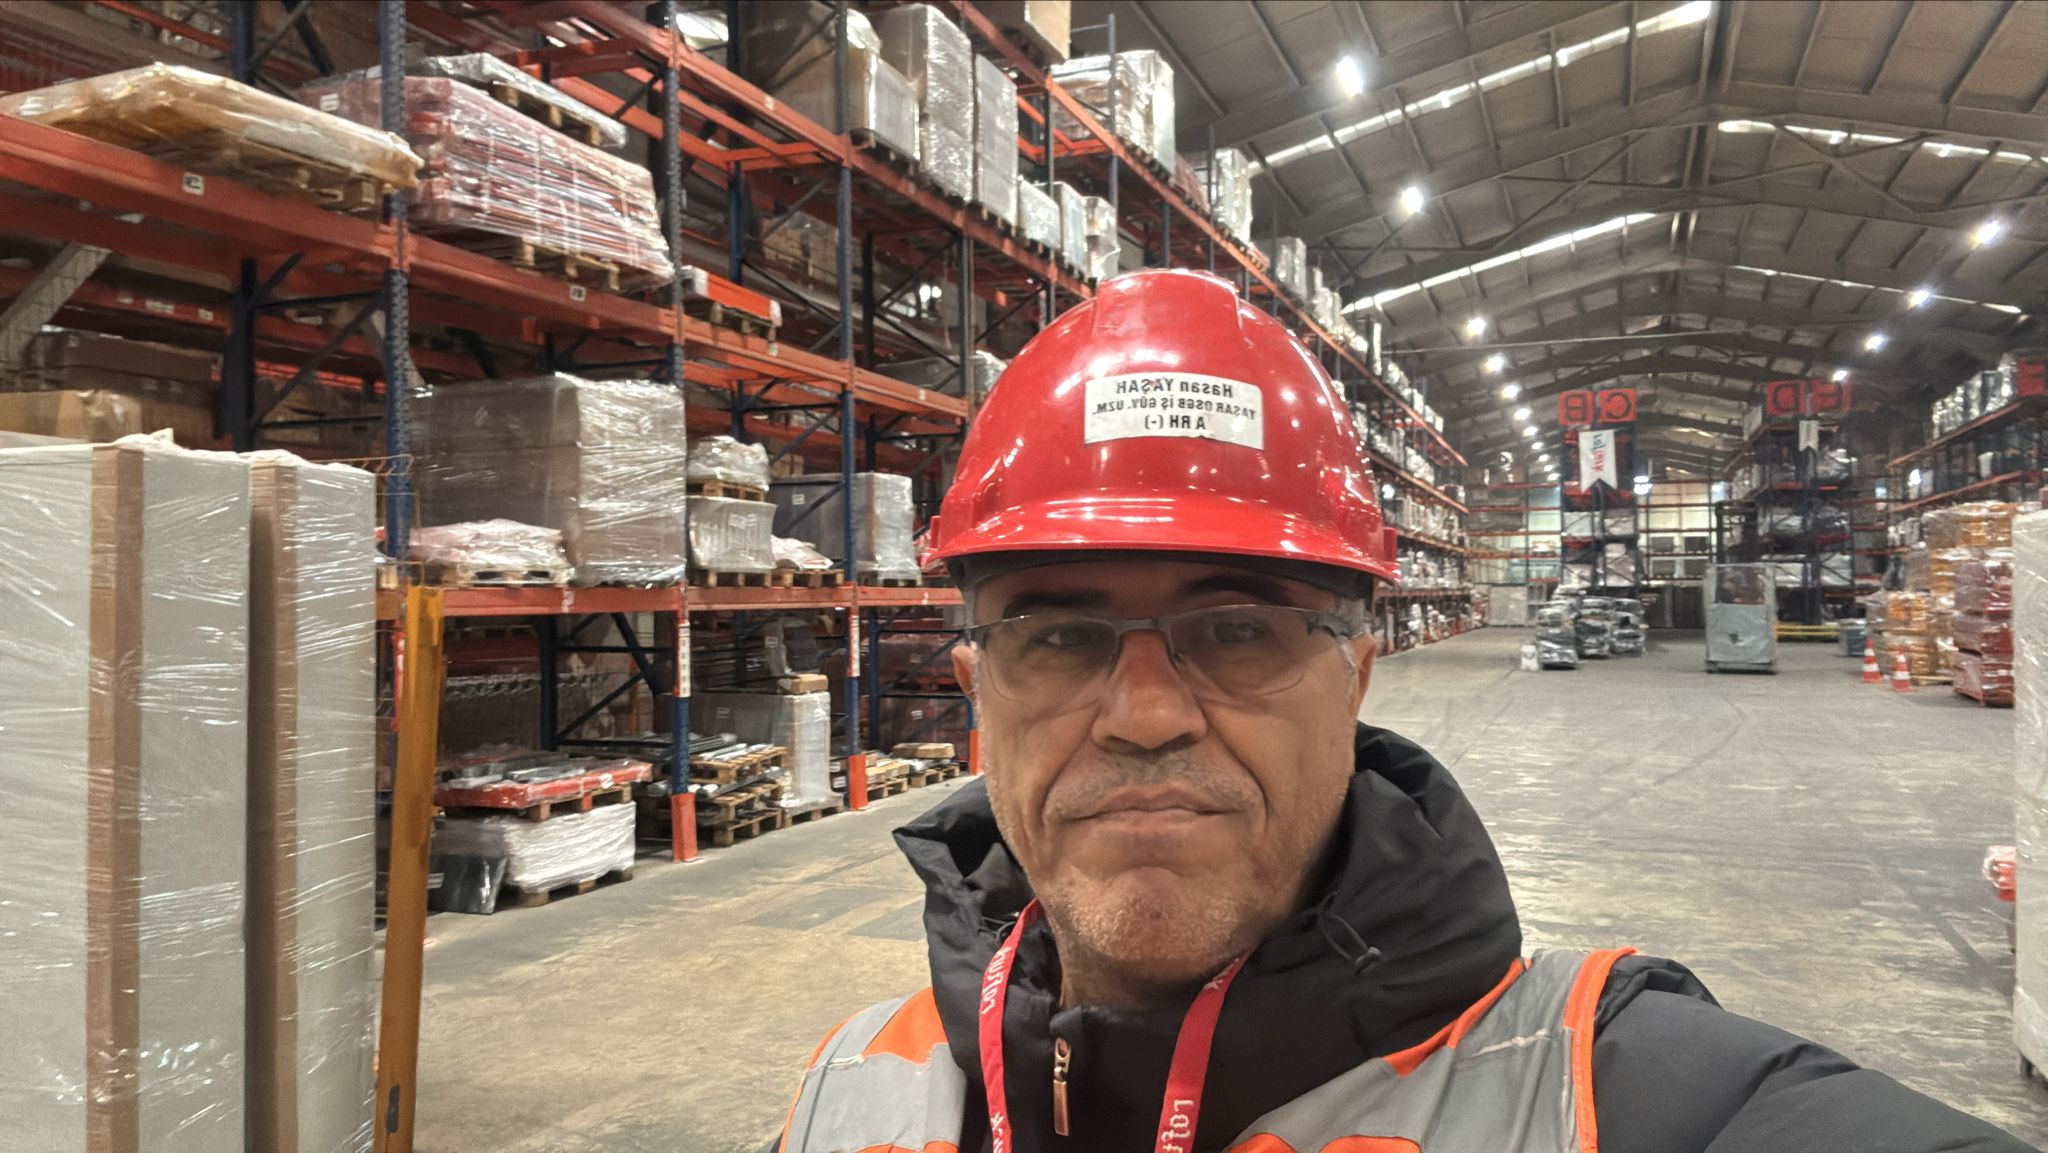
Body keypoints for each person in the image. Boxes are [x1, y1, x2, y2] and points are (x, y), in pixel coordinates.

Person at [772, 270, 2034, 1153]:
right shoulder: (847, 1094)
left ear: (1357, 673)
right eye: (1056, 637)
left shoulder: (1609, 1093)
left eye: (1236, 630)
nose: (1145, 714)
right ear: (976, 689)